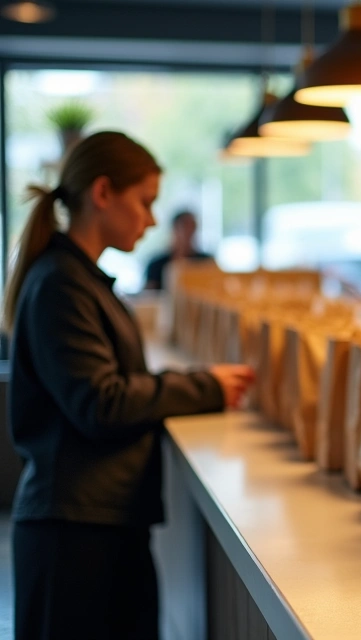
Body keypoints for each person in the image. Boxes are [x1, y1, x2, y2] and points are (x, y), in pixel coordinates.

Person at [4, 131, 255, 639]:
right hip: (73, 533)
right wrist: (203, 388)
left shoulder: (79, 279)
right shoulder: (60, 284)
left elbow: (116, 384)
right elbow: (100, 401)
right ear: (102, 194)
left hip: (100, 522)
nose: (152, 219)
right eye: (145, 202)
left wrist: (198, 382)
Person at [143, 209, 212, 290]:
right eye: (185, 227)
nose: (189, 232)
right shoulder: (156, 264)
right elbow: (148, 296)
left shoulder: (206, 262)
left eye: (192, 227)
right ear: (174, 229)